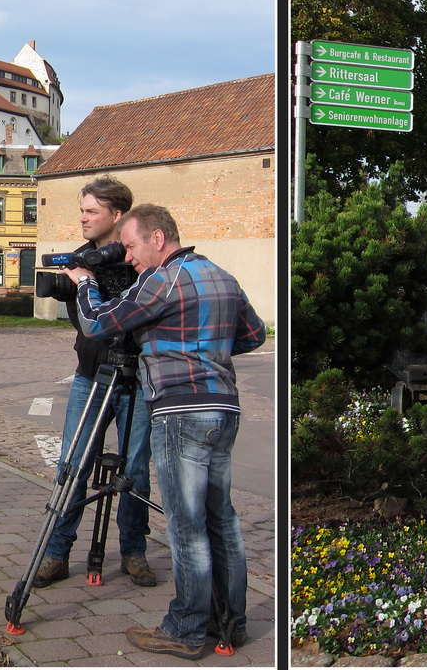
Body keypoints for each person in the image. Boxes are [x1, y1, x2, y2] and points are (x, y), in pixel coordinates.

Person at [64, 204, 266, 660]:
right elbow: (254, 336)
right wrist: (203, 346)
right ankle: (229, 624)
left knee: (187, 526)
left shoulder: (165, 279)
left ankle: (186, 629)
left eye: (132, 246)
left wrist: (84, 284)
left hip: (179, 412)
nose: (129, 258)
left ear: (158, 238)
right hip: (223, 410)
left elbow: (97, 323)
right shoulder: (222, 276)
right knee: (223, 523)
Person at [34, 177, 156, 589]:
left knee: (135, 469)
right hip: (92, 379)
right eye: (82, 210)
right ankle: (56, 553)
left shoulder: (142, 260)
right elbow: (90, 326)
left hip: (137, 382)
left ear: (117, 216)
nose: (83, 218)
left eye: (92, 211)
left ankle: (134, 553)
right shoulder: (79, 262)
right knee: (72, 467)